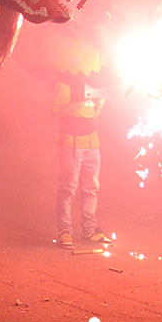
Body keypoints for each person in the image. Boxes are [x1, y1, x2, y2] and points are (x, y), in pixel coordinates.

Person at [53, 73, 112, 248]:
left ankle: (90, 231)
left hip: (92, 144)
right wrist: (79, 100)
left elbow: (93, 117)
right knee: (68, 189)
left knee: (91, 189)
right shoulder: (65, 85)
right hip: (71, 143)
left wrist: (100, 102)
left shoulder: (95, 84)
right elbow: (56, 111)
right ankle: (64, 232)